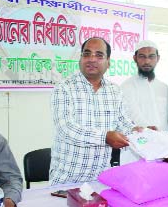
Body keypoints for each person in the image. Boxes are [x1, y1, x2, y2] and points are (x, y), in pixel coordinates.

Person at [50, 37, 139, 185]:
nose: (91, 59)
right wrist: (105, 137)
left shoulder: (115, 91)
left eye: (99, 55)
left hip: (100, 181)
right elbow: (66, 129)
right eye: (87, 54)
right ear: (80, 58)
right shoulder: (64, 88)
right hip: (66, 182)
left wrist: (141, 132)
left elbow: (124, 123)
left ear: (108, 62)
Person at [120, 40, 168, 164]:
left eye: (151, 56)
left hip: (164, 150)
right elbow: (133, 115)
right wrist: (149, 132)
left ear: (158, 58)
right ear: (135, 58)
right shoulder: (126, 87)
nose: (147, 61)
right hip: (137, 151)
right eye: (142, 56)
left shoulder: (165, 88)